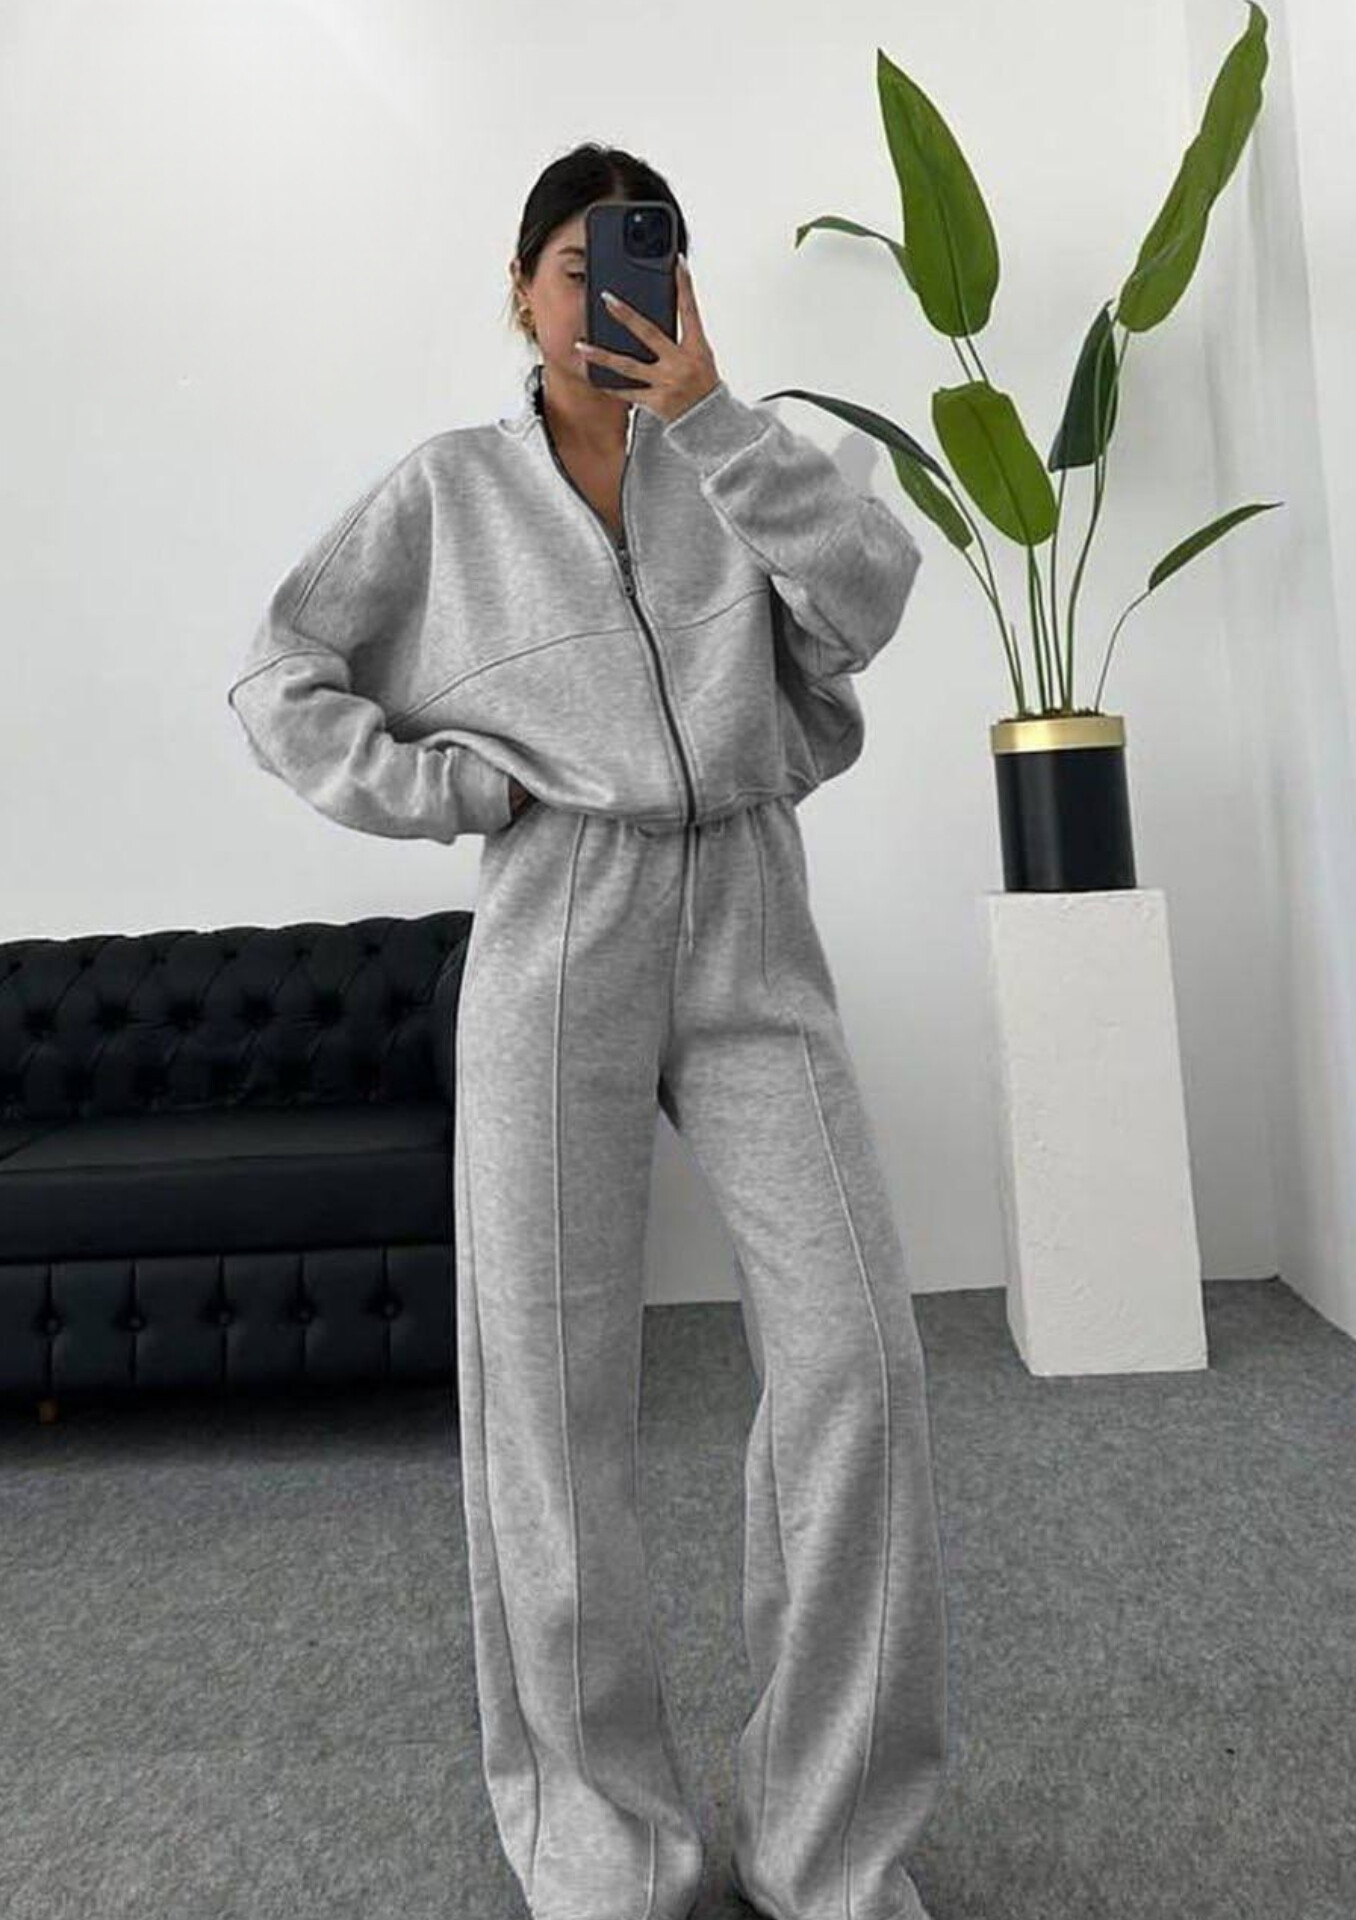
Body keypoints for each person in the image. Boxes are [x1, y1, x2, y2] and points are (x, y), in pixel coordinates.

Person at [228, 140, 948, 1920]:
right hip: (563, 923)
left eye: (647, 258)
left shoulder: (743, 450)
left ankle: (827, 1845)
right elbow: (281, 671)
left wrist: (712, 419)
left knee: (859, 1358)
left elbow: (869, 598)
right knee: (552, 1405)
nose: (610, 292)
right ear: (522, 285)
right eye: (578, 261)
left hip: (753, 919)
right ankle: (605, 1844)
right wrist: (459, 787)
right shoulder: (451, 491)